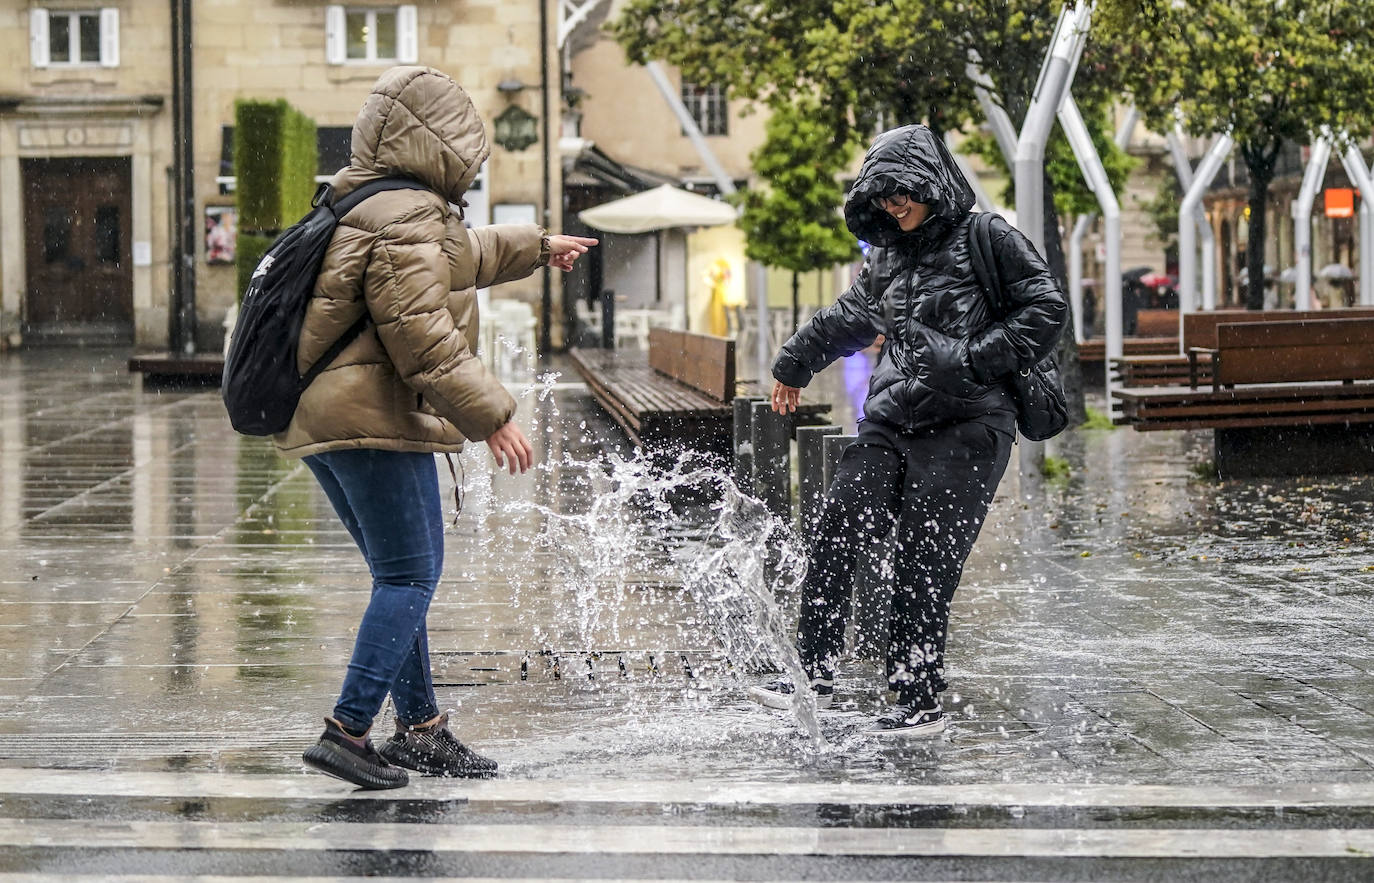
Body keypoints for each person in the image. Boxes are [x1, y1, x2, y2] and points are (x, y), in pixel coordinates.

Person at [277, 66, 596, 789]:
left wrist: (540, 245)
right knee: (412, 573)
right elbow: (421, 336)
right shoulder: (406, 215)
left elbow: (463, 258)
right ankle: (347, 729)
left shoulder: (377, 204)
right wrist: (493, 415)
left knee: (401, 574)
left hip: (335, 415)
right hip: (369, 418)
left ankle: (420, 729)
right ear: (439, 139)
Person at [747, 124, 1066, 737]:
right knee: (836, 529)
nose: (896, 207)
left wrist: (973, 359)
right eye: (884, 199)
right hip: (894, 418)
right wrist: (794, 362)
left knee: (926, 562)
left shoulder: (986, 236)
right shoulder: (889, 251)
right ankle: (809, 675)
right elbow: (850, 314)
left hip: (972, 423)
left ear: (932, 183)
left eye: (904, 194)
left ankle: (916, 702)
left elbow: (1046, 308)